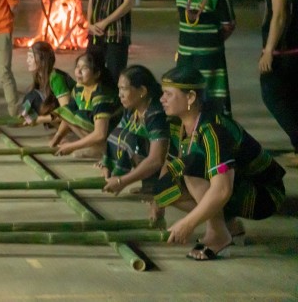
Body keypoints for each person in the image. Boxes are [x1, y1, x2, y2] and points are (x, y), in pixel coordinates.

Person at [154, 66, 286, 260]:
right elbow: (171, 164)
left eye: (168, 94)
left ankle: (218, 235)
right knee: (165, 188)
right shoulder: (177, 124)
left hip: (264, 193)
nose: (161, 99)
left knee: (192, 168)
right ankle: (228, 225)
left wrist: (188, 224)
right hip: (234, 186)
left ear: (190, 97)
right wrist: (158, 201)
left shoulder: (214, 130)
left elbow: (223, 189)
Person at [175, 0, 236, 116]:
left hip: (210, 61)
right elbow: (184, 22)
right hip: (185, 57)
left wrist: (211, 43)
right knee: (184, 97)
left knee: (209, 100)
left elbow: (228, 25)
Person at [257, 0, 298, 167]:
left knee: (272, 95)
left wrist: (268, 50)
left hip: (284, 51)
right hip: (294, 48)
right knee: (292, 98)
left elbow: (280, 15)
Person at [100, 65, 168, 196]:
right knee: (118, 135)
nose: (120, 95)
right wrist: (106, 163)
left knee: (131, 140)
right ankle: (148, 185)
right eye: (119, 89)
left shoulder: (156, 115)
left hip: (169, 165)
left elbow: (157, 159)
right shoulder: (131, 109)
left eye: (124, 89)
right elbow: (117, 133)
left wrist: (122, 181)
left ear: (142, 91)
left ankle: (156, 185)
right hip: (149, 159)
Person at [50, 50, 121, 159]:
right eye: (77, 67)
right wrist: (56, 138)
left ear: (97, 74)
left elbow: (100, 134)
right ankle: (97, 148)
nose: (78, 71)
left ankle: (102, 150)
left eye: (84, 68)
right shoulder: (79, 88)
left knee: (79, 115)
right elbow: (67, 114)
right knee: (70, 112)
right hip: (98, 129)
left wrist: (72, 146)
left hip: (115, 135)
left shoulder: (101, 95)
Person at [19, 41, 74, 127]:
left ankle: (62, 128)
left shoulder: (56, 78)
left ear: (42, 59)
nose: (27, 61)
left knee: (38, 101)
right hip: (61, 111)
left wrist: (40, 119)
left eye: (31, 57)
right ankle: (30, 120)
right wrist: (26, 114)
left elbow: (66, 111)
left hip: (76, 111)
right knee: (31, 97)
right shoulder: (40, 75)